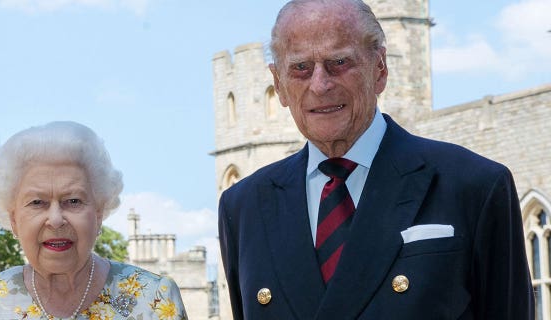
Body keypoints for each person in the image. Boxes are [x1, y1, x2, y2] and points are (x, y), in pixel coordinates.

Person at [217, 0, 534, 319]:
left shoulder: (474, 186)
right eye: (300, 68)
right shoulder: (244, 207)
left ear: (379, 69)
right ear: (278, 86)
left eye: (338, 62)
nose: (320, 85)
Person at [0, 121, 188, 320]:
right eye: (37, 202)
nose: (56, 220)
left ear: (98, 213)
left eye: (73, 201)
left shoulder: (154, 299)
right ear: (14, 219)